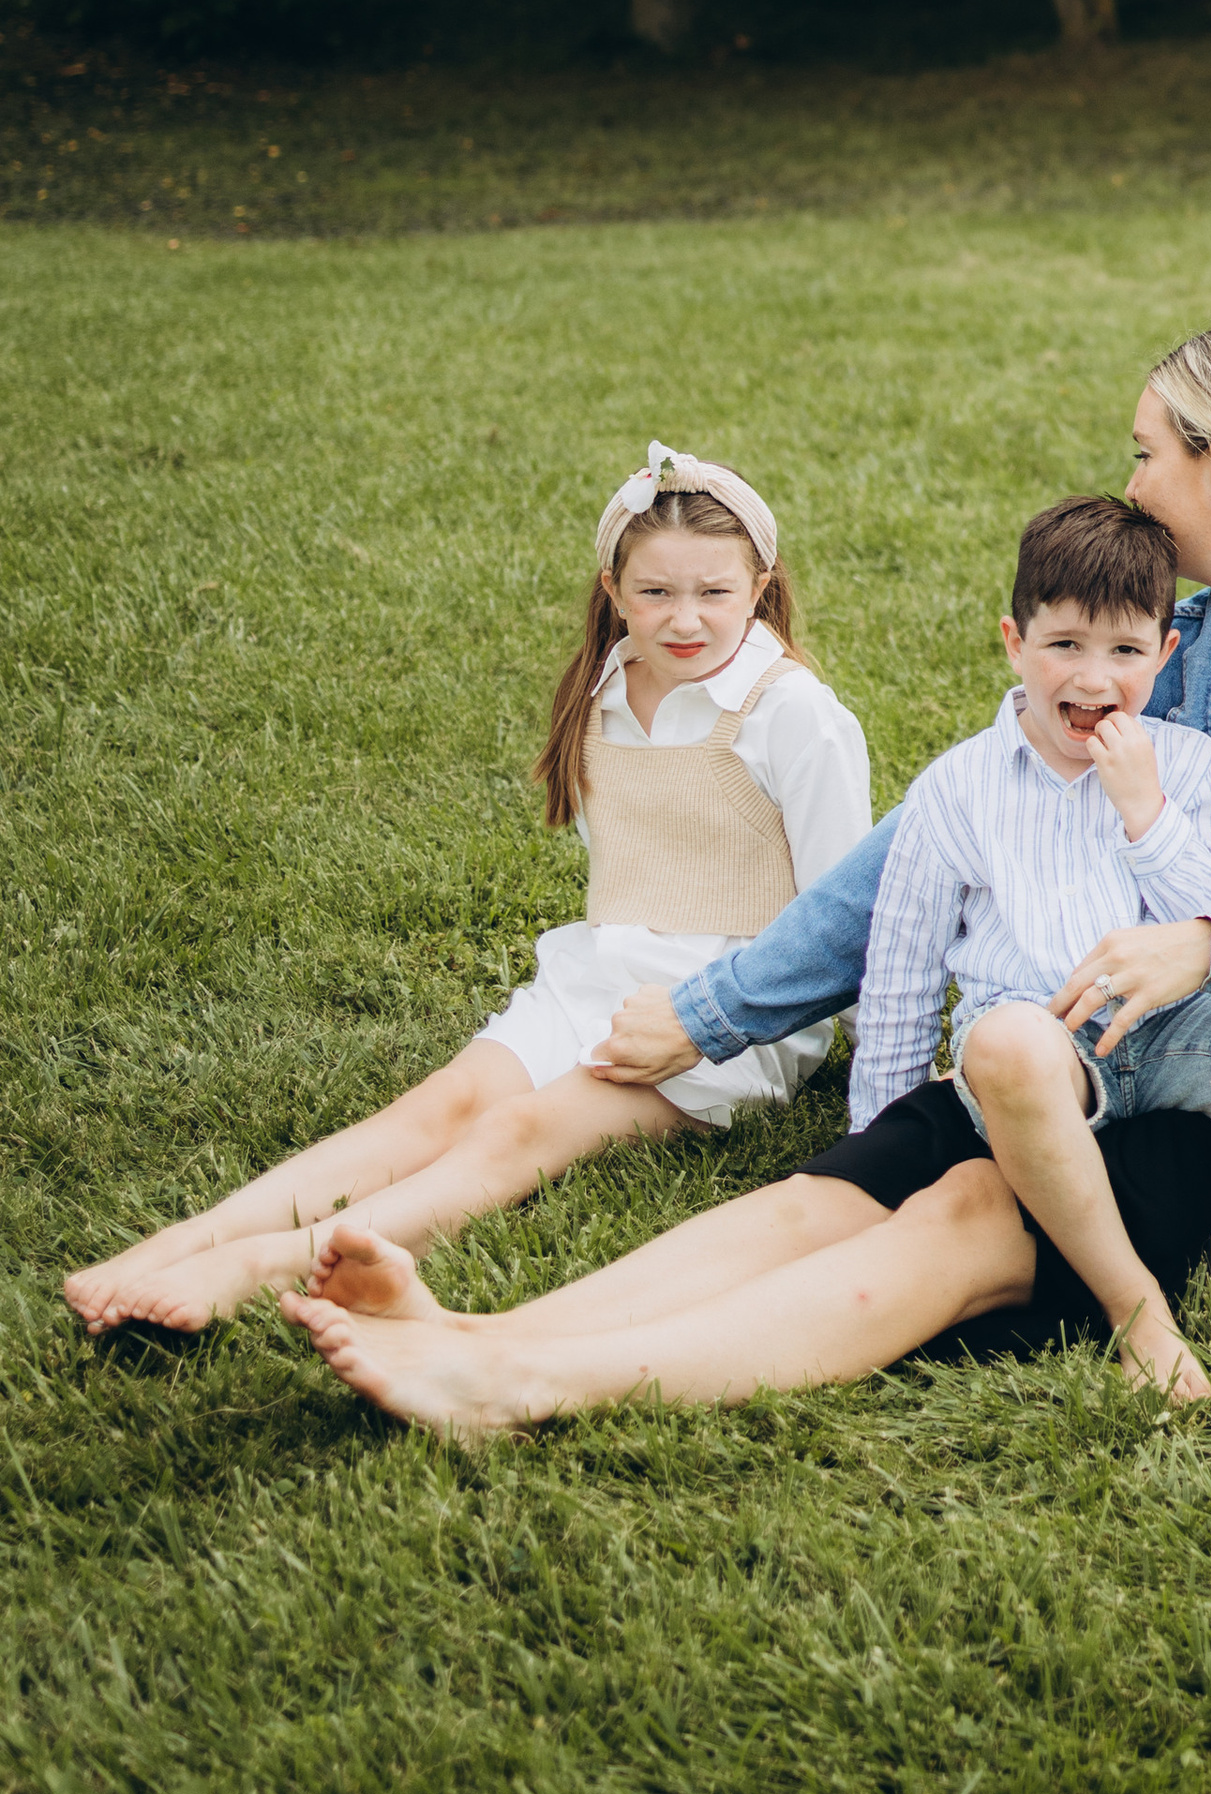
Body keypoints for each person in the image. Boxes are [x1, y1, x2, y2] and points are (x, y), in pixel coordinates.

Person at [281, 324, 1211, 1434]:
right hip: (1083, 1038)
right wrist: (719, 1011)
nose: (1132, 482)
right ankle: (478, 1335)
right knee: (823, 1198)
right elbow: (919, 849)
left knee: (962, 1218)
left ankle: (520, 1386)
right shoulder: (1180, 650)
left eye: (1146, 452)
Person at [64, 443, 867, 1337]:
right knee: (439, 1105)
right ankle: (186, 1240)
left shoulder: (794, 713)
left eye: (714, 591)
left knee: (517, 1133)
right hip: (600, 975)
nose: (685, 619)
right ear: (613, 590)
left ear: (759, 587)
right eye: (655, 592)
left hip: (724, 1010)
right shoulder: (604, 689)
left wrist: (868, 1068)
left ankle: (263, 1263)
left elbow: (846, 914)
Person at [856, 492, 1211, 1395]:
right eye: (1065, 645)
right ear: (1014, 643)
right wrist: (877, 1147)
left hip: (1171, 1037)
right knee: (1006, 1042)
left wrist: (1146, 814)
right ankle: (1137, 1314)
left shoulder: (1186, 765)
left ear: (1164, 654)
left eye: (1125, 651)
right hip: (1041, 1051)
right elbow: (902, 980)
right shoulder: (955, 790)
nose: (1094, 678)